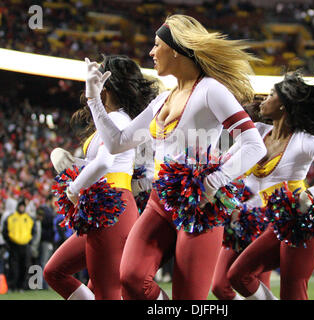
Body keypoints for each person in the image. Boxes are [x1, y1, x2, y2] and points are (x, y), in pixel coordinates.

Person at [85, 14, 266, 299]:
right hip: (160, 202)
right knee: (131, 278)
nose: (151, 52)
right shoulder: (162, 99)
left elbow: (255, 145)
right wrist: (94, 99)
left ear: (176, 49)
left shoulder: (211, 90)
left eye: (157, 45)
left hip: (198, 206)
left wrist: (214, 182)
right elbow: (118, 142)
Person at [227, 71, 314, 300]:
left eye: (271, 94)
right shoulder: (259, 132)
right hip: (274, 220)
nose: (264, 98)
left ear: (284, 104)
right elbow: (225, 164)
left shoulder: (304, 140)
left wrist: (311, 193)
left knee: (292, 290)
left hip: (302, 221)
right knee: (238, 276)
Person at [43, 54, 158, 300]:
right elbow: (101, 162)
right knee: (55, 271)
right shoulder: (115, 120)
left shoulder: (117, 118)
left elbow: (105, 163)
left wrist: (73, 189)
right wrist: (65, 158)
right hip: (105, 209)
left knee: (107, 293)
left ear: (104, 87)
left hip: (112, 208)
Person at [2, 199, 35, 292]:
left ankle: (22, 286)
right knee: (13, 267)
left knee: (25, 266)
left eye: (23, 206)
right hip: (14, 246)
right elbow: (5, 232)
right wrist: (9, 243)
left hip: (25, 246)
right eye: (20, 206)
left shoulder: (28, 218)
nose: (21, 208)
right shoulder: (11, 218)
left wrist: (29, 242)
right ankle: (12, 286)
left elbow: (33, 232)